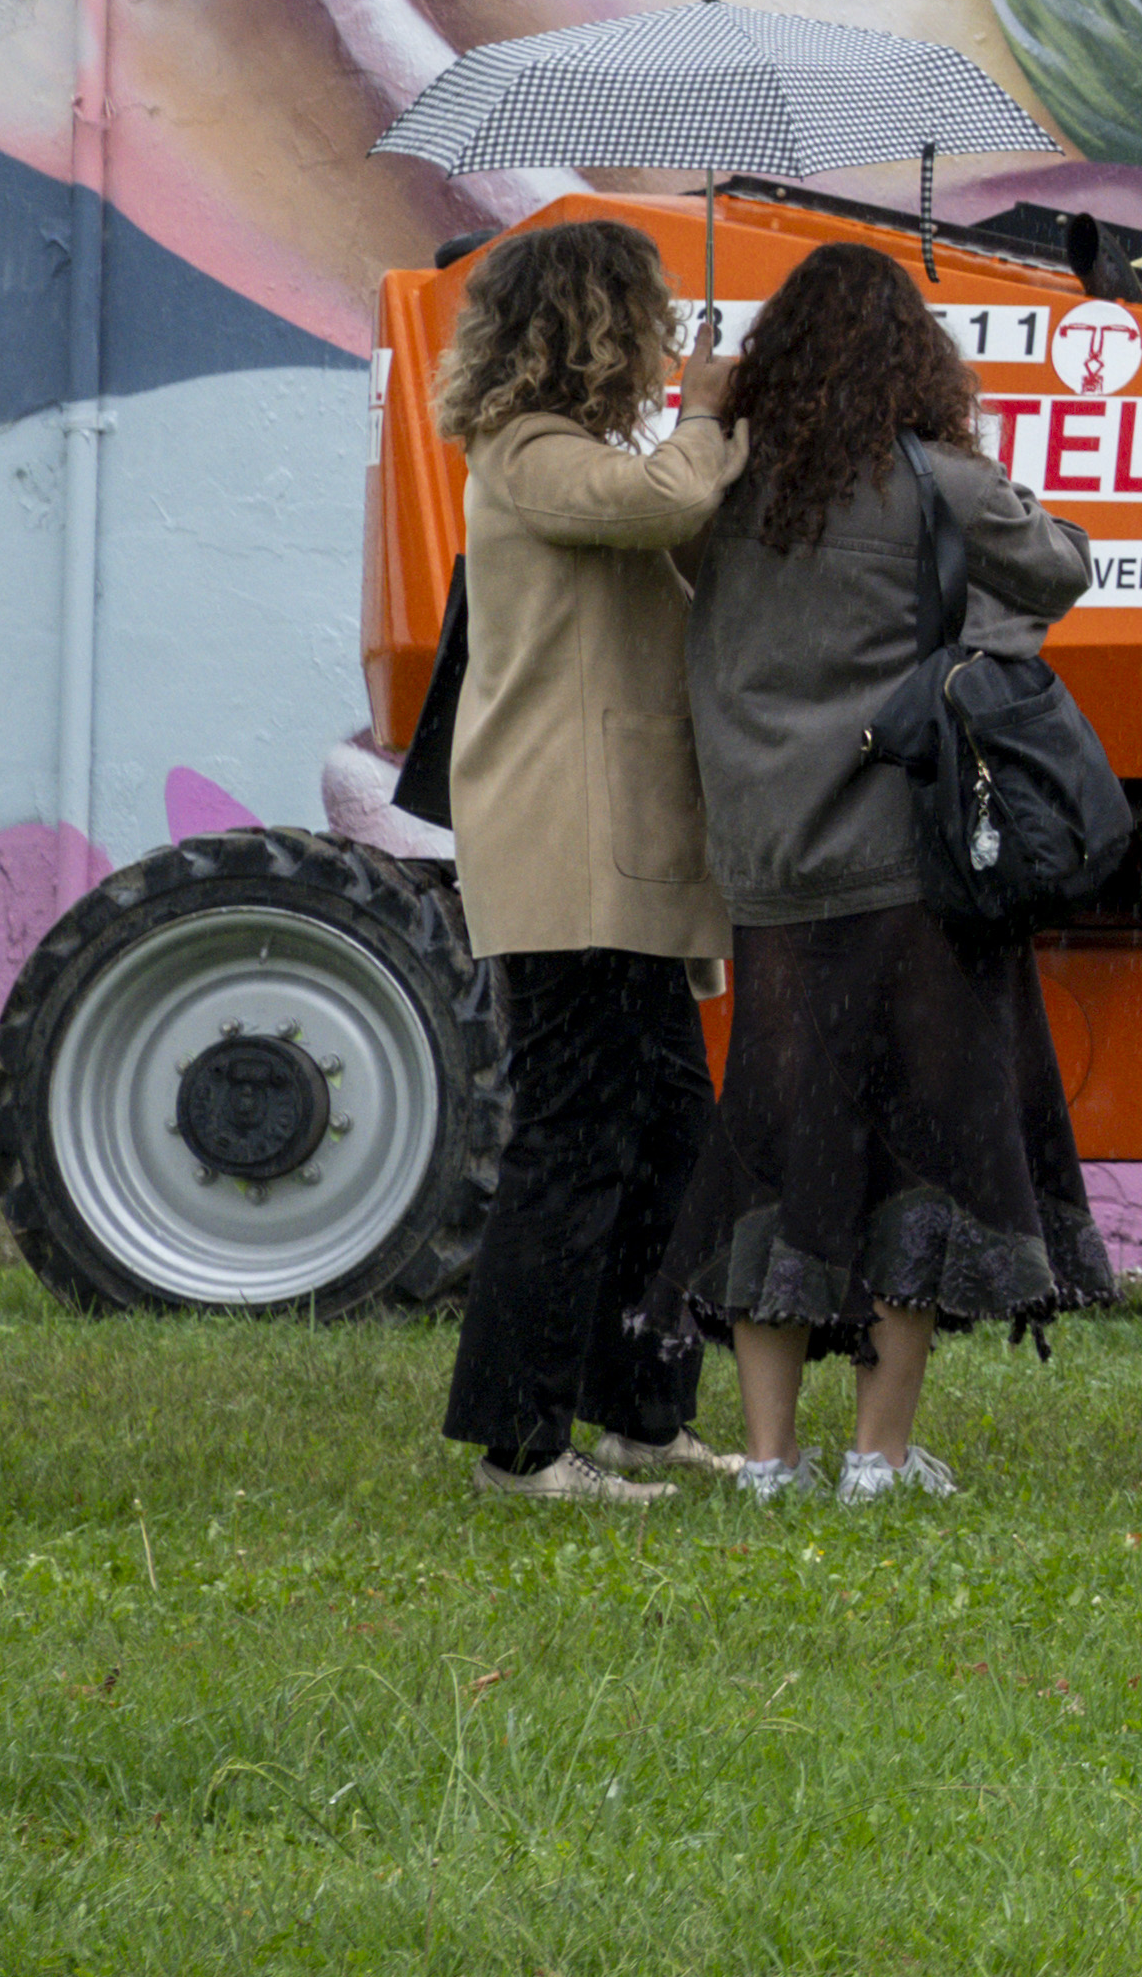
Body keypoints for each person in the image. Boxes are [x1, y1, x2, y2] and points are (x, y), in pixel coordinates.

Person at [656, 240, 1112, 1499]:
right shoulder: (937, 479)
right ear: (915, 361)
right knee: (919, 1149)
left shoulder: (724, 484)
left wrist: (702, 398)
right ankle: (879, 1455)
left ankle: (764, 1459)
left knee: (777, 1144)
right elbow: (1062, 570)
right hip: (909, 869)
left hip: (774, 871)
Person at [426, 215, 733, 1507]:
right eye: (647, 313)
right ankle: (519, 1444)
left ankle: (640, 1416)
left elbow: (683, 527)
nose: (664, 332)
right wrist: (707, 413)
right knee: (575, 1142)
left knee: (667, 1136)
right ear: (596, 323)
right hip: (567, 858)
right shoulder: (528, 454)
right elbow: (668, 499)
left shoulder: (578, 461)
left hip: (625, 856)